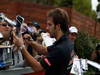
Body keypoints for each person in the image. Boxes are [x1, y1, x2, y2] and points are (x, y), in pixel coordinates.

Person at [13, 8, 74, 75]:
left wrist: (21, 47)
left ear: (58, 26)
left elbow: (37, 67)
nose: (47, 28)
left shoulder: (60, 49)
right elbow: (44, 50)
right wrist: (31, 42)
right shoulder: (66, 42)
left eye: (50, 25)